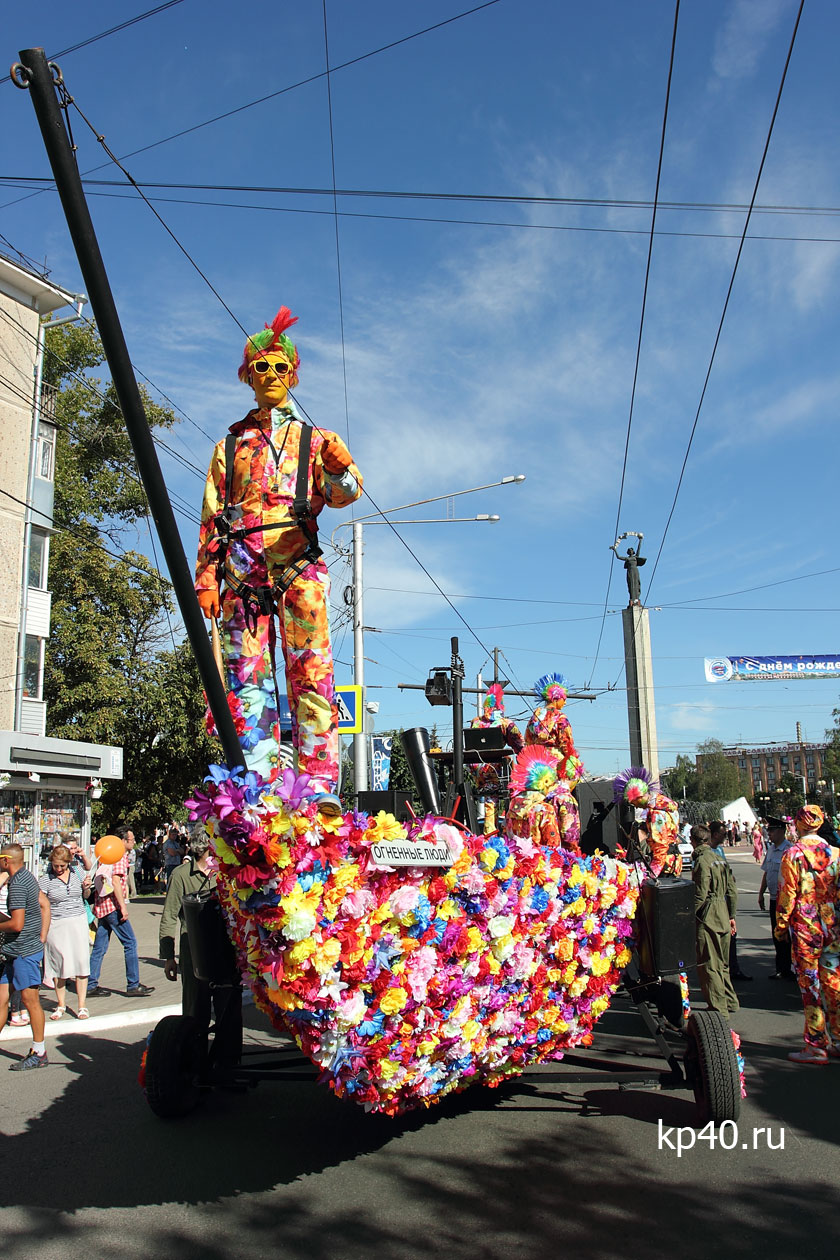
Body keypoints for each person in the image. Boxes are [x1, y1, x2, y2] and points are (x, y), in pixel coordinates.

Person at [194, 305, 363, 804]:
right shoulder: (230, 444)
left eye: (280, 367)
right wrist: (206, 576)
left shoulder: (315, 439)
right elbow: (211, 513)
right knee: (247, 681)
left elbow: (346, 492)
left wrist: (339, 468)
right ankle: (259, 783)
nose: (271, 375)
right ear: (248, 376)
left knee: (311, 670)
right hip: (241, 574)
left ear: (293, 374)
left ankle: (316, 784)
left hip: (297, 566)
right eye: (261, 367)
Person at [159, 824, 242, 1067]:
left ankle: (226, 1067)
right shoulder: (182, 875)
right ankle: (194, 1067)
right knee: (196, 1012)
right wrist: (168, 957)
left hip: (225, 950)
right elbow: (169, 916)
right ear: (207, 846)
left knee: (229, 1010)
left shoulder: (225, 873)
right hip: (194, 952)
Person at [774, 803, 840, 1064]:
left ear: (798, 824)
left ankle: (816, 1044)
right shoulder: (835, 853)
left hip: (805, 926)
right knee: (834, 982)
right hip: (832, 924)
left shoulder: (793, 854)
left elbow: (787, 894)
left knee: (809, 983)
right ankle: (838, 1037)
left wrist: (781, 926)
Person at [0, 841, 51, 1070]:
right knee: (1, 1000)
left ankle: (39, 1052)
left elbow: (17, 924)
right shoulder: (27, 876)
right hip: (13, 953)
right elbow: (44, 904)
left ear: (6, 861)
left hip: (23, 952)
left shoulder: (19, 884)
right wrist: (42, 934)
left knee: (31, 1002)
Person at [87, 827, 154, 999]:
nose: (133, 842)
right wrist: (123, 906)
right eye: (131, 840)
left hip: (103, 907)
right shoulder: (118, 856)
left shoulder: (108, 856)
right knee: (130, 942)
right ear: (123, 841)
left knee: (100, 947)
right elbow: (116, 882)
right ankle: (133, 984)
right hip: (113, 907)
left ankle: (90, 983)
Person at [38, 844, 91, 1020]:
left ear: (69, 863)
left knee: (81, 962)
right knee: (58, 964)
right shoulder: (45, 879)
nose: (59, 869)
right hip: (56, 924)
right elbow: (41, 904)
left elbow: (86, 895)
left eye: (62, 866)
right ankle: (60, 1004)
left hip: (78, 921)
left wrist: (87, 887)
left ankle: (82, 1005)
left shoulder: (77, 872)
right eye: (56, 866)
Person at [691, 823, 738, 1018]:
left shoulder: (702, 861)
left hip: (708, 913)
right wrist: (732, 915)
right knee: (723, 962)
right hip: (723, 913)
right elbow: (732, 891)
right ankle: (730, 1000)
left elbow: (700, 893)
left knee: (709, 962)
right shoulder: (719, 858)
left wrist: (690, 916)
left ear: (693, 841)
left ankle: (718, 1007)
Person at [709, 820, 752, 981]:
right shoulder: (705, 852)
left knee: (731, 935)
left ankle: (733, 968)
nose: (725, 837)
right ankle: (720, 970)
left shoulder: (720, 850)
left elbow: (727, 871)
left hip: (725, 897)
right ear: (714, 834)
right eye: (722, 834)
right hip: (714, 900)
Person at [758, 816, 795, 980]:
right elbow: (767, 872)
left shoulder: (790, 850)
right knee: (776, 933)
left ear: (781, 831)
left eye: (771, 831)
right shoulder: (772, 849)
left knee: (786, 934)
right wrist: (761, 893)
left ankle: (789, 967)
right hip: (773, 899)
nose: (769, 834)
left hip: (786, 900)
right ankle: (781, 967)